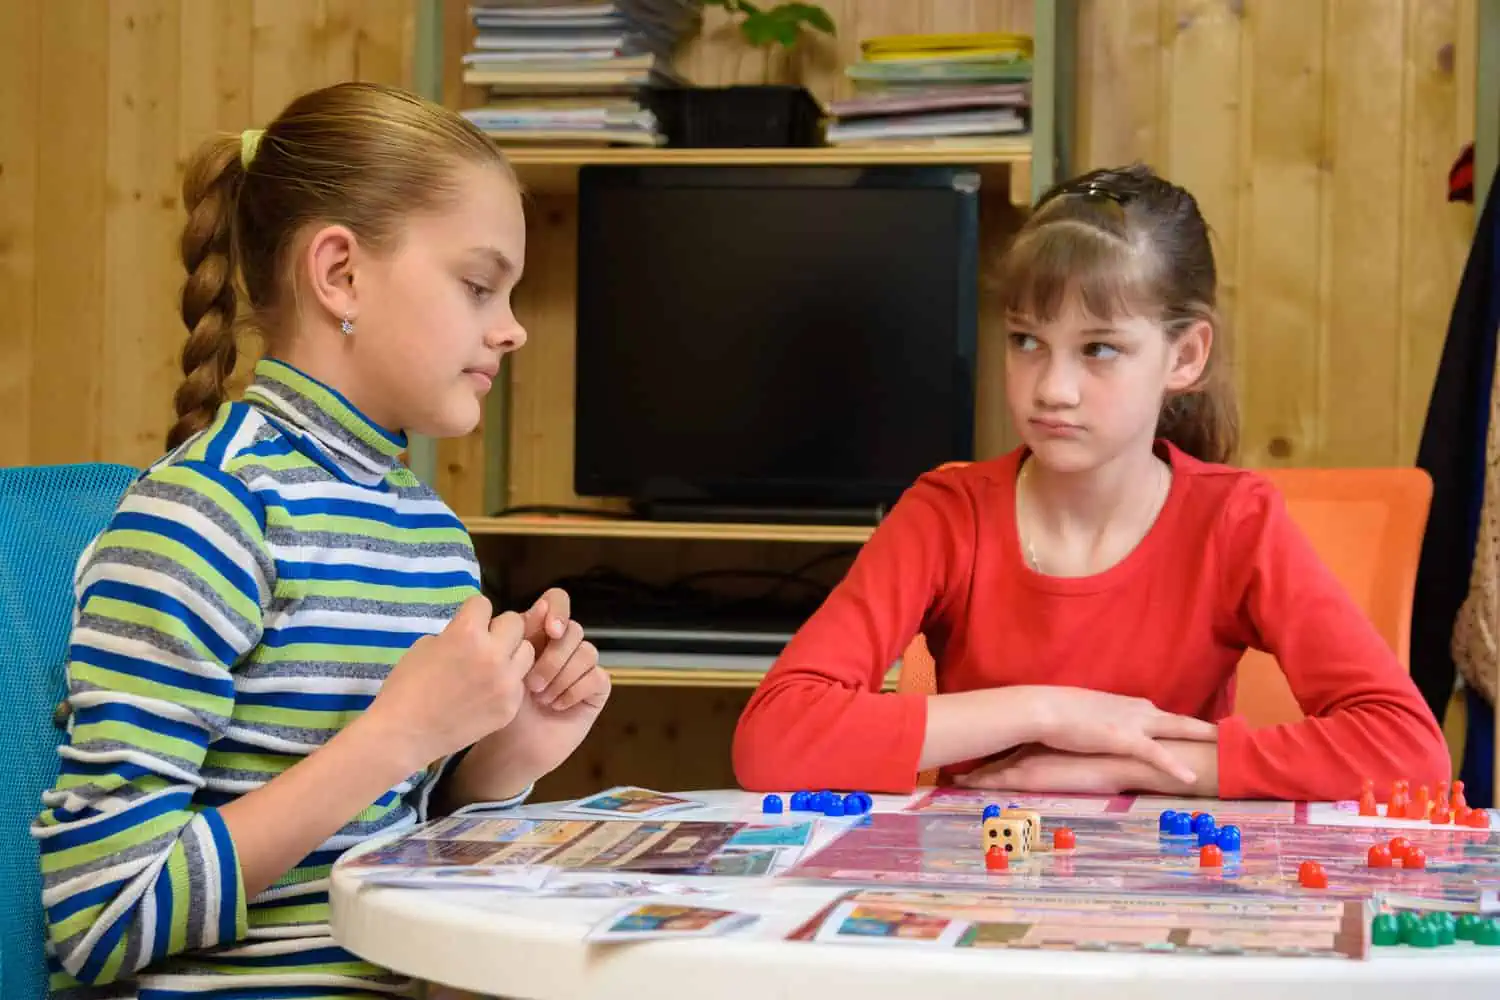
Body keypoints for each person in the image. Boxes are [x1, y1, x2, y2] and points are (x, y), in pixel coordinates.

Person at [33, 82, 610, 999]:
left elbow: (392, 826)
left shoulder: (430, 535)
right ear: (339, 274)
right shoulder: (206, 517)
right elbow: (103, 919)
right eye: (477, 284)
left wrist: (508, 750)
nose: (512, 328)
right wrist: (397, 734)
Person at [732, 164, 1450, 804]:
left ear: (1185, 355)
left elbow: (1408, 752)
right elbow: (773, 738)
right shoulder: (947, 514)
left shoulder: (1234, 520)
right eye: (1026, 342)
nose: (1054, 388)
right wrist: (1052, 711)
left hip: (1167, 893)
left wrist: (1139, 765)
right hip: (973, 892)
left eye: (1099, 349)